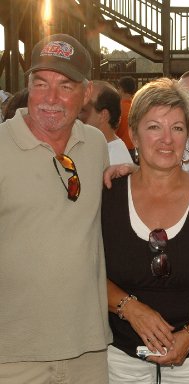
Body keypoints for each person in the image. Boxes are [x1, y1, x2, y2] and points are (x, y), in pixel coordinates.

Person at [0, 34, 112, 383]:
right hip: (13, 355)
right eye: (40, 84)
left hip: (88, 350)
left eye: (65, 85)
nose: (50, 99)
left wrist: (136, 176)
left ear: (86, 92)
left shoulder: (95, 145)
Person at [102, 77, 189, 383]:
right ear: (133, 133)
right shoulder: (108, 195)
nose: (166, 139)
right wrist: (130, 308)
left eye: (177, 128)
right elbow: (85, 269)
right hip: (121, 359)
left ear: (188, 136)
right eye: (154, 126)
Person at [79, 80, 133, 165]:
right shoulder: (101, 150)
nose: (76, 115)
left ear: (103, 115)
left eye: (83, 110)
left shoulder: (114, 163)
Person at [116, 76, 137, 157]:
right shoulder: (136, 106)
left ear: (121, 89)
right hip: (132, 146)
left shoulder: (118, 107)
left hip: (119, 147)